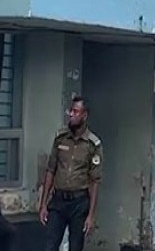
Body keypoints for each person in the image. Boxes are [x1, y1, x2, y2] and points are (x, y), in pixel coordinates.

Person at [39, 96, 103, 251]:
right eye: (70, 111)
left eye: (75, 111)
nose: (71, 115)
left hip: (79, 203)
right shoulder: (61, 138)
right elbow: (50, 170)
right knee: (50, 245)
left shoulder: (93, 144)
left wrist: (91, 215)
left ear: (84, 115)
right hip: (58, 201)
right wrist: (43, 204)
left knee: (75, 246)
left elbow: (95, 181)